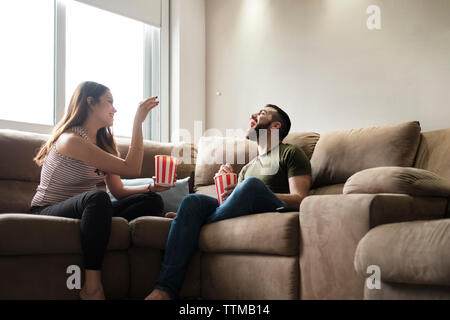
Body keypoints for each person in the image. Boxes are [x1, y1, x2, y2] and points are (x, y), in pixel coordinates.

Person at [146, 104, 311, 300]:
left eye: (262, 113)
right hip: (239, 210)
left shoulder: (290, 153)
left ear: (275, 126)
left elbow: (300, 199)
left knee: (251, 186)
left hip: (270, 209)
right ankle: (164, 290)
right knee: (193, 201)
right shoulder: (247, 168)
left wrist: (250, 191)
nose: (253, 115)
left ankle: (194, 224)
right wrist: (227, 189)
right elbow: (229, 207)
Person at [30, 81, 171, 300]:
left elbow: (119, 190)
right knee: (98, 198)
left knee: (152, 201)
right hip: (48, 209)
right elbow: (132, 168)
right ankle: (92, 286)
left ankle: (95, 226)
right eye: (110, 102)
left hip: (87, 210)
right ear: (90, 103)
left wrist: (152, 187)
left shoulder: (103, 142)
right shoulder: (71, 140)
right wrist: (138, 122)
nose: (114, 109)